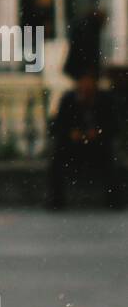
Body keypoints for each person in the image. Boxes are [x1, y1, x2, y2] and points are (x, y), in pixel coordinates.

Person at [47, 70, 122, 210]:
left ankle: (114, 201)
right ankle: (56, 200)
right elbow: (58, 125)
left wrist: (98, 133)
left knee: (112, 160)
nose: (86, 86)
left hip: (98, 147)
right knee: (57, 158)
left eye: (89, 81)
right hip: (74, 147)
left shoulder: (104, 99)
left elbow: (113, 126)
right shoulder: (69, 99)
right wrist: (71, 133)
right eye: (83, 81)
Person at [63, 7, 107, 82]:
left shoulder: (83, 27)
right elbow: (90, 52)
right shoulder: (90, 31)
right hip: (83, 70)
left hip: (79, 68)